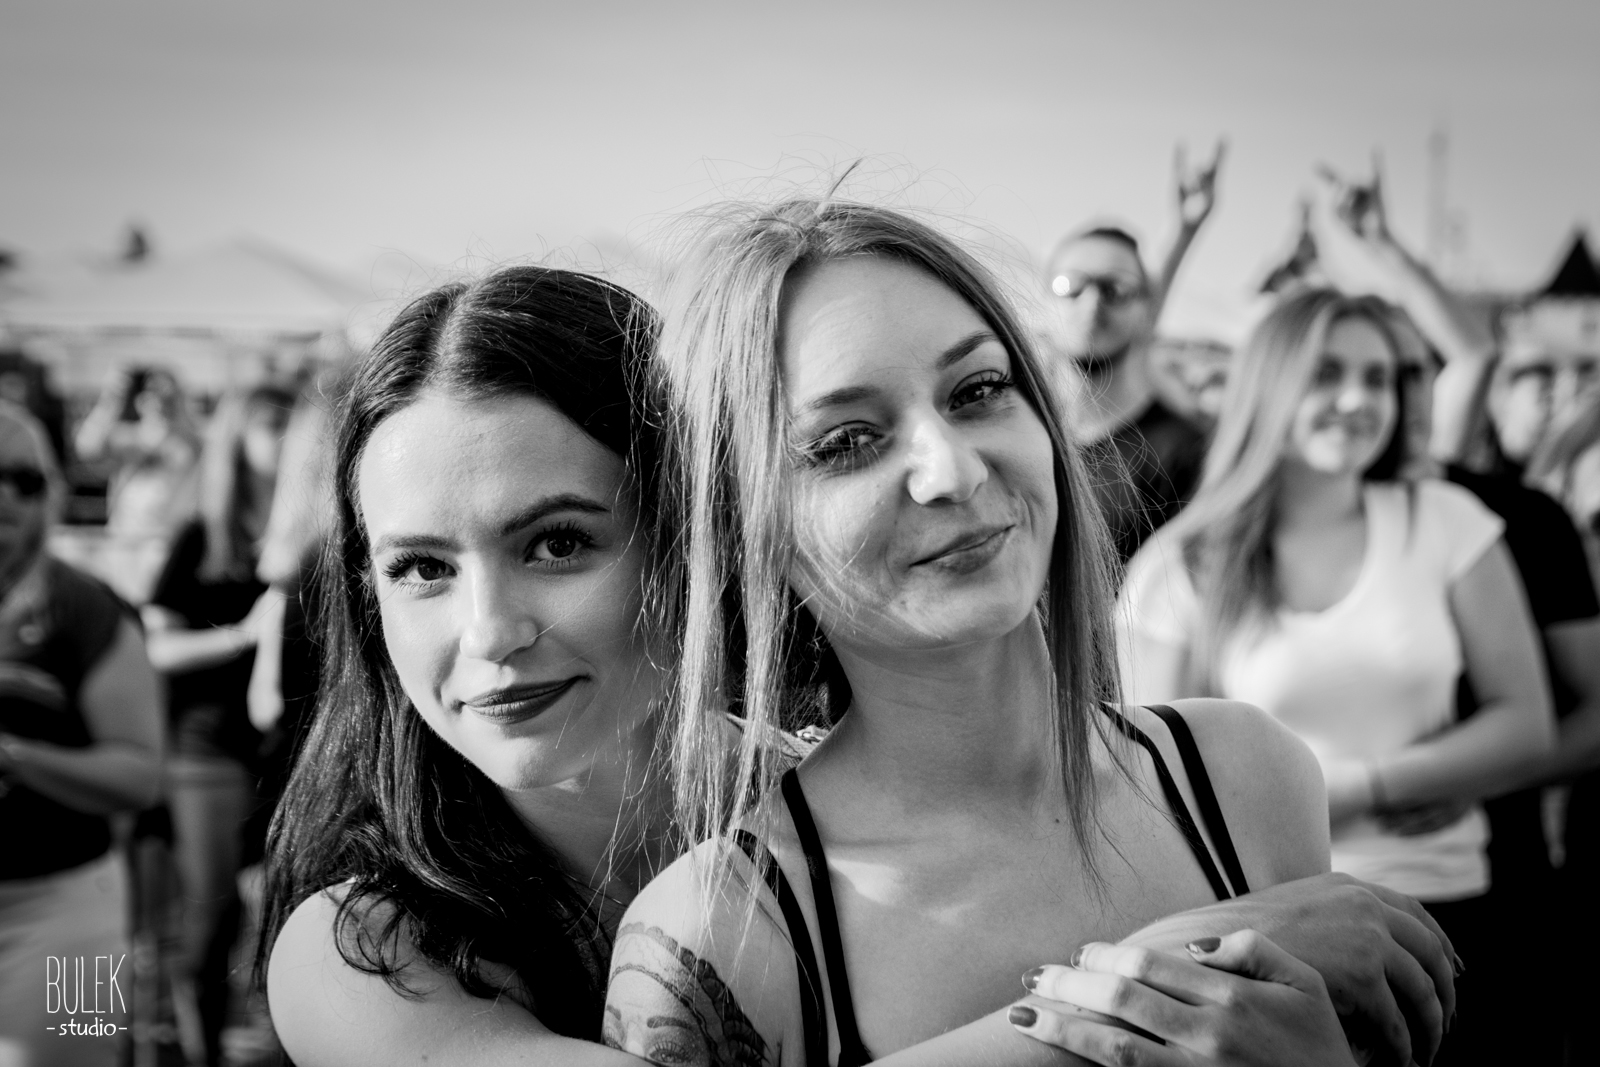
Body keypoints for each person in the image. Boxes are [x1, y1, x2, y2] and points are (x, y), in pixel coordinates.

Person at [263, 264, 1456, 1067]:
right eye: (419, 567)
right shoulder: (359, 948)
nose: (488, 629)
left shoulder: (839, 798)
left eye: (558, 542)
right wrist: (1189, 965)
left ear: (697, 536)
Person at [602, 198, 1456, 1067]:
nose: (954, 469)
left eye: (978, 391)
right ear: (744, 524)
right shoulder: (719, 937)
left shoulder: (1248, 775)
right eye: (847, 441)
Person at [1118, 285, 1555, 1065]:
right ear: (1268, 384)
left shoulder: (1444, 519)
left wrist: (1365, 785)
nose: (1358, 400)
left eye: (1378, 377)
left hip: (1450, 914)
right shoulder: (1182, 566)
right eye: (1326, 373)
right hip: (1277, 932)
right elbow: (1151, 790)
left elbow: (1527, 725)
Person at [1308, 170, 1600, 1064]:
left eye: (1410, 373)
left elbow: (1596, 712)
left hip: (1495, 883)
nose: (1388, 395)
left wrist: (1454, 775)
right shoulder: (1284, 531)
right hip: (1321, 893)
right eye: (1364, 374)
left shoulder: (1514, 519)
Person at [0, 401, 164, 1067]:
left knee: (78, 1054)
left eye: (25, 479)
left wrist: (16, 757)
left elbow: (141, 775)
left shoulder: (86, 606)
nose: (5, 495)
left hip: (70, 902)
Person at [144, 383, 292, 1067]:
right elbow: (158, 646)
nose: (288, 443)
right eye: (273, 428)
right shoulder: (201, 533)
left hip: (289, 745)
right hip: (206, 748)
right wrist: (240, 637)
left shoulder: (308, 533)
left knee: (289, 909)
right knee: (210, 914)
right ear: (239, 440)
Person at [1043, 142, 1223, 563]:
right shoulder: (1012, 430)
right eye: (1070, 285)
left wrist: (1182, 235)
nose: (1092, 305)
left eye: (1116, 289)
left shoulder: (1182, 456)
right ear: (1043, 300)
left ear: (1146, 310)